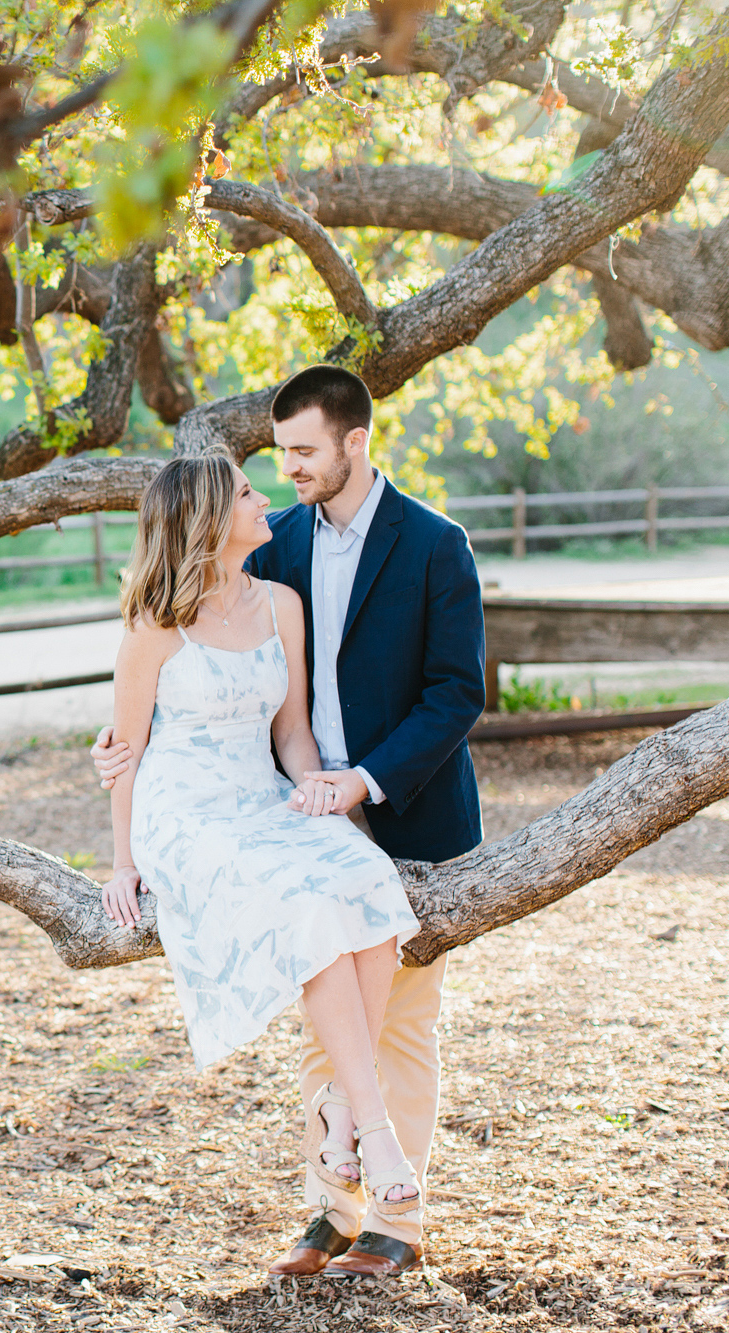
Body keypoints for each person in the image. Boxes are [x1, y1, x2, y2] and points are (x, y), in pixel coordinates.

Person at [93, 364, 487, 1279]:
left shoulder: (436, 544)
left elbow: (456, 693)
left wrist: (362, 785)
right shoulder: (274, 547)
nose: (288, 471)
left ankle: (399, 1217)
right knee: (324, 1004)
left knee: (404, 1022)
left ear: (355, 442)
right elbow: (181, 658)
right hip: (279, 809)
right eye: (277, 457)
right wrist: (121, 746)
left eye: (304, 452)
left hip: (405, 805)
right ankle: (330, 1206)